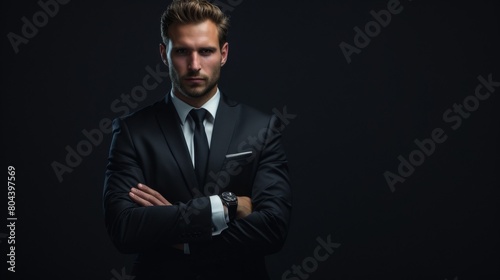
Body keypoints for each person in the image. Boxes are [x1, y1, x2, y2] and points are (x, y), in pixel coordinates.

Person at [102, 0, 292, 279]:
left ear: (224, 53)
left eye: (205, 51)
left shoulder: (261, 128)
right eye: (181, 51)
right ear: (164, 55)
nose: (194, 65)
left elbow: (273, 228)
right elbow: (124, 228)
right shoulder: (133, 131)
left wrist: (183, 239)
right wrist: (227, 205)